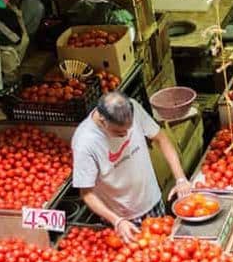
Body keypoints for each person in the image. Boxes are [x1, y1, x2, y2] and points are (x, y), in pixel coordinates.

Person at [72, 92, 191, 242]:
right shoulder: (85, 142)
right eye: (118, 132)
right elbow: (86, 193)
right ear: (102, 121)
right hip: (123, 219)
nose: (125, 134)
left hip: (153, 202)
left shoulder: (133, 107)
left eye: (128, 129)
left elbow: (161, 138)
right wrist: (117, 221)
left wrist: (180, 179)